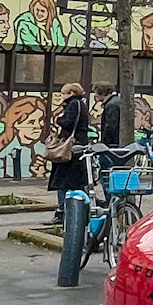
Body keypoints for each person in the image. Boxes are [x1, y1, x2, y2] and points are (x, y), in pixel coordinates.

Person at [45, 82, 90, 221]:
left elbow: (68, 123)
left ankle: (62, 211)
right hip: (79, 145)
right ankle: (82, 208)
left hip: (70, 147)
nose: (62, 96)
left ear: (71, 93)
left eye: (63, 93)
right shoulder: (81, 104)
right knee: (77, 182)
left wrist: (59, 120)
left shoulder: (72, 105)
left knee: (62, 180)